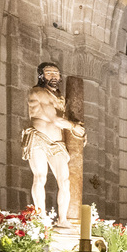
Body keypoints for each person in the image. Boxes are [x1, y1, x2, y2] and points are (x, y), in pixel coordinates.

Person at [24, 61, 85, 226]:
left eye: (56, 73)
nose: (53, 76)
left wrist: (77, 134)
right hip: (39, 138)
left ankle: (63, 219)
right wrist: (73, 126)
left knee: (65, 181)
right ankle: (40, 216)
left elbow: (63, 123)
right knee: (40, 176)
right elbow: (53, 118)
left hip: (57, 142)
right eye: (49, 72)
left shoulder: (59, 97)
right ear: (41, 76)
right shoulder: (38, 92)